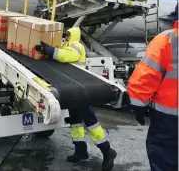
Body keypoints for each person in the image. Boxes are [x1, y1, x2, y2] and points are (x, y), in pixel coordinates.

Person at [35, 27, 117, 171]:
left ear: (73, 36)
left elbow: (66, 56)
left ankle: (107, 151)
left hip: (82, 91)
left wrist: (50, 51)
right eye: (65, 35)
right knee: (75, 123)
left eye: (67, 35)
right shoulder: (66, 46)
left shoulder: (77, 47)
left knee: (91, 123)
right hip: (72, 91)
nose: (65, 37)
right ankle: (81, 151)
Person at [128, 9, 178, 171]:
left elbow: (146, 76)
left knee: (164, 161)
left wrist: (138, 106)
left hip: (169, 120)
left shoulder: (168, 39)